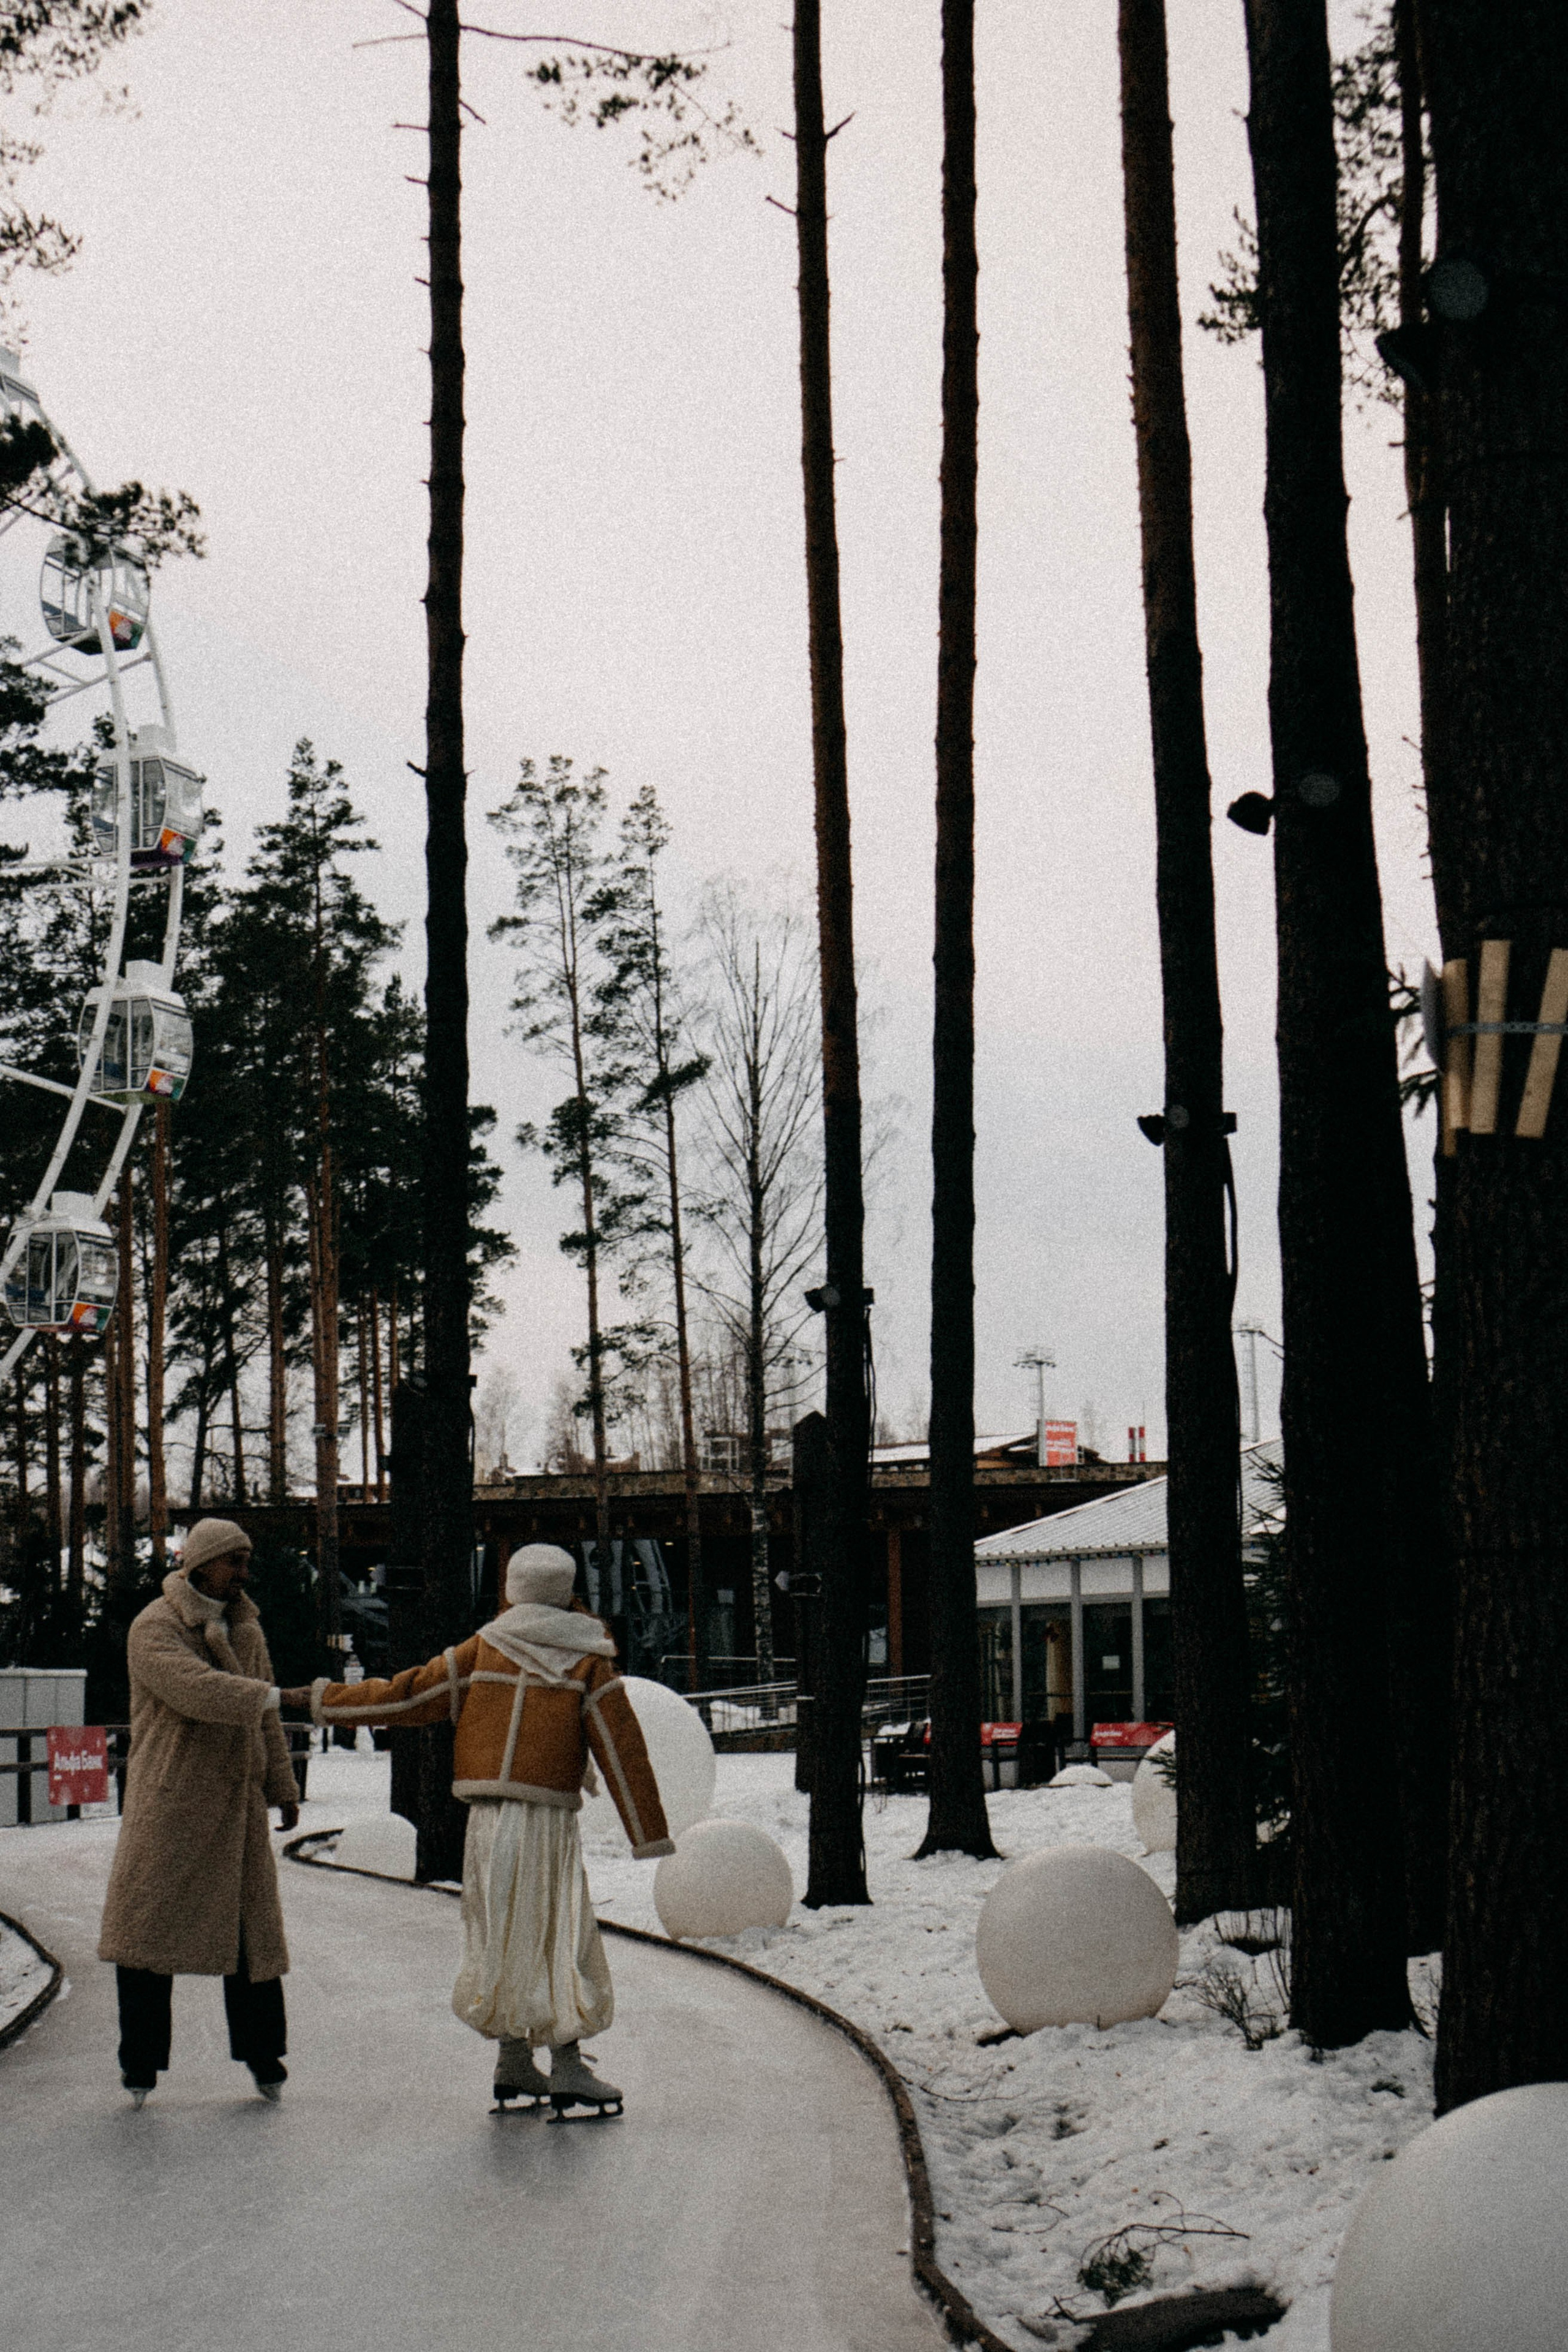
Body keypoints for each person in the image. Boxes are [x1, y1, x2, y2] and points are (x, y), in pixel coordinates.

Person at [286, 1544, 673, 2114]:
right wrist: (649, 1833)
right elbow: (622, 1748)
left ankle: (514, 2059)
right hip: (546, 1822)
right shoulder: (587, 1660)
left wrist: (319, 1702)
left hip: (487, 1821)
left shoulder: (482, 1651)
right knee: (556, 1934)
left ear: (513, 1591)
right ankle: (565, 2065)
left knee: (502, 1935)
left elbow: (406, 1695)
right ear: (567, 1591)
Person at [98, 1518, 303, 2107]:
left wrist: (281, 1785)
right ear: (202, 1564)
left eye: (246, 1561)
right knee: (146, 1934)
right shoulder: (155, 1626)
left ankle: (265, 2056)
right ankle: (139, 2064)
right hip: (171, 1803)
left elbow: (262, 1715)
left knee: (250, 1939)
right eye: (234, 1561)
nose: (243, 1573)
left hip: (235, 1807)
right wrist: (274, 1695)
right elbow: (197, 1689)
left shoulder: (245, 1626)